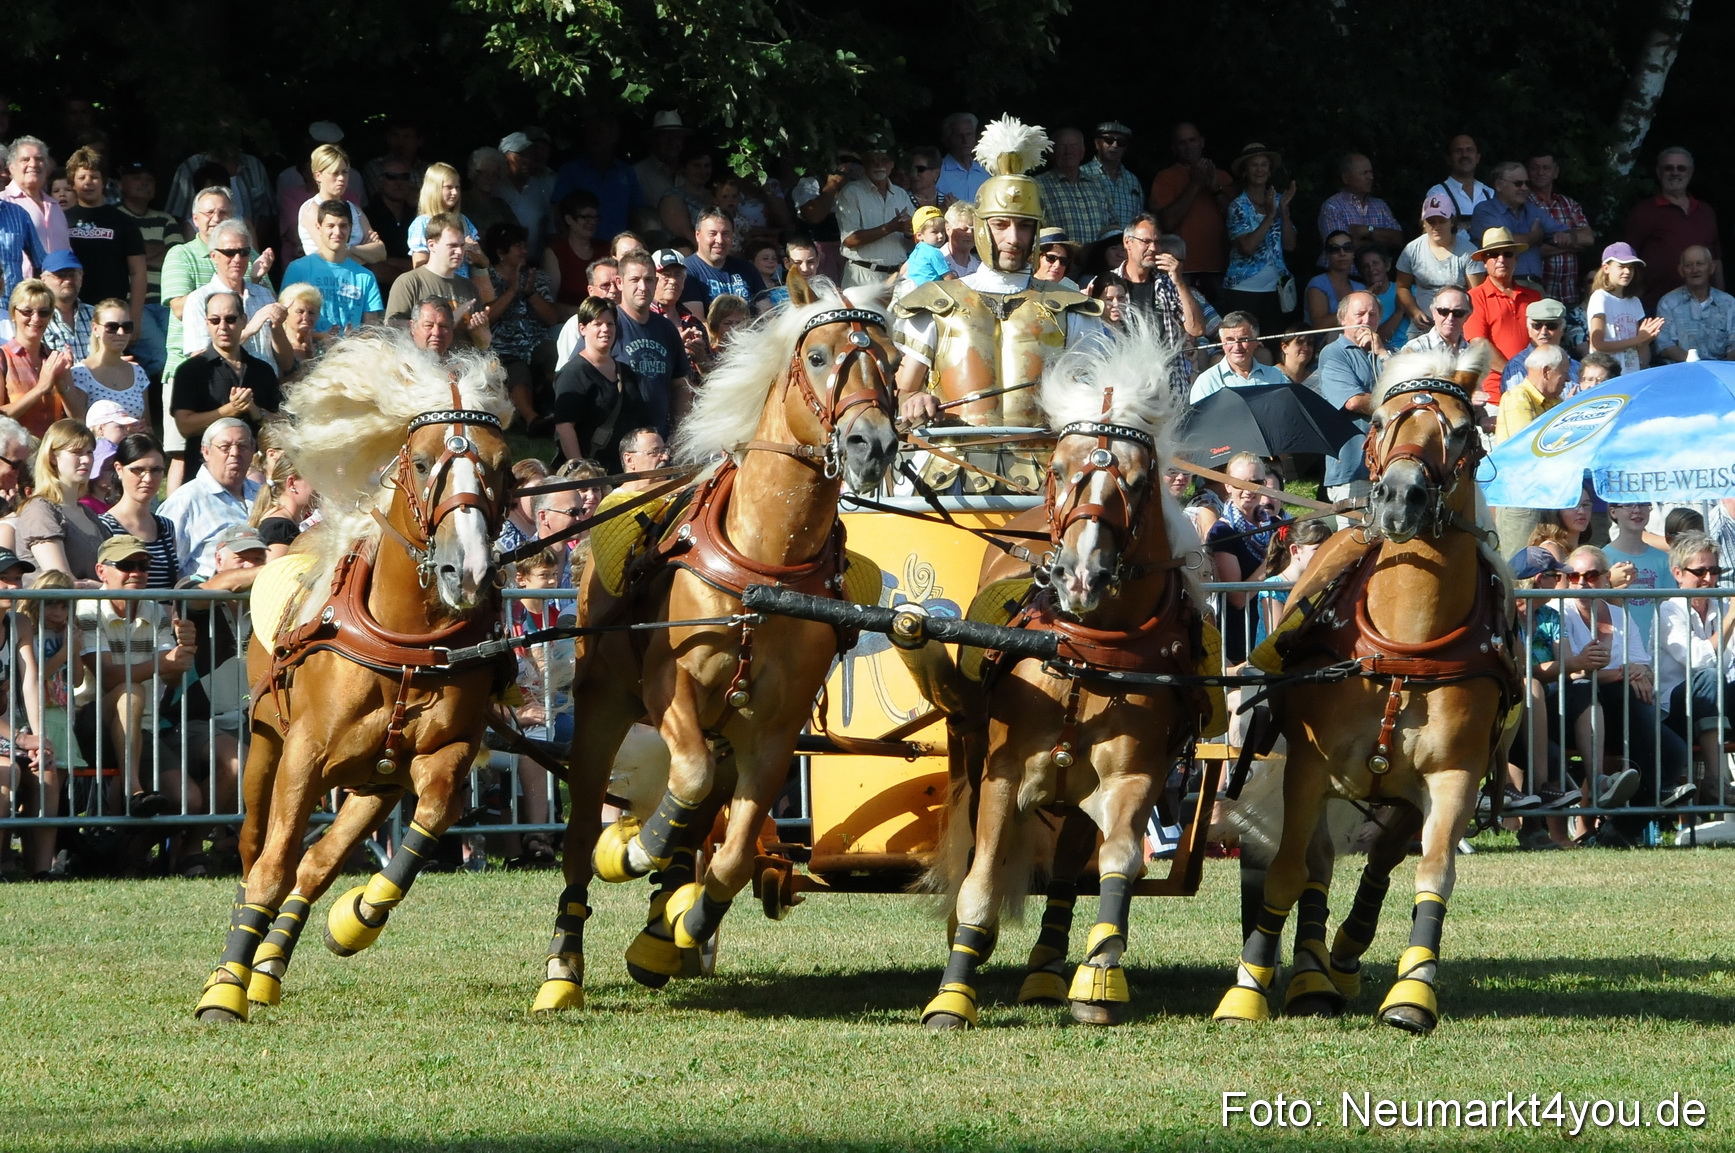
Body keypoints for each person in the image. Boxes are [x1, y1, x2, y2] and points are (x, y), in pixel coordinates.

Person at [893, 117, 1108, 442]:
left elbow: (1098, 398)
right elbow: (903, 394)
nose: (1013, 238)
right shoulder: (936, 304)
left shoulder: (1071, 309)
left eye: (1023, 226)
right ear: (980, 228)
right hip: (954, 474)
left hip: (1044, 471)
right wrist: (915, 401)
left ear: (1036, 232)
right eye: (1001, 225)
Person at [78, 533, 199, 816]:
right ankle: (133, 791)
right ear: (101, 571)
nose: (137, 573)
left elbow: (171, 678)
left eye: (144, 566)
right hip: (89, 723)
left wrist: (185, 653)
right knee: (131, 691)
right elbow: (107, 678)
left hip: (142, 726)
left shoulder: (156, 611)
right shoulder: (85, 608)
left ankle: (134, 856)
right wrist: (163, 662)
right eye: (126, 565)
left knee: (190, 801)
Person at [1656, 531, 1735, 796]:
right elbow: (1697, 660)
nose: (1709, 579)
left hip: (1712, 703)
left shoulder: (1721, 608)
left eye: (1714, 570)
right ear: (1678, 573)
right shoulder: (1669, 609)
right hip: (1672, 713)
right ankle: (1715, 778)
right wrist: (1730, 619)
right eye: (1700, 572)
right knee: (1710, 678)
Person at [171, 291, 280, 479]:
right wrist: (230, 410)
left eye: (230, 319)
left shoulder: (263, 370)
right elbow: (185, 426)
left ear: (244, 320)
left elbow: (280, 425)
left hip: (256, 474)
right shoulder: (190, 371)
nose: (223, 327)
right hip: (205, 474)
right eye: (215, 320)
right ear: (206, 323)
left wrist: (256, 412)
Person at [551, 297, 650, 472]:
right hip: (592, 478)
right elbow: (564, 427)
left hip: (625, 474)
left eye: (610, 324)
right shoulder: (572, 374)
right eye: (598, 324)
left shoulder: (626, 372)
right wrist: (580, 471)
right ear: (583, 328)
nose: (605, 329)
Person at [159, 418, 260, 581]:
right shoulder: (186, 500)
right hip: (208, 602)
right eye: (225, 447)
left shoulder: (262, 494)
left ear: (253, 450)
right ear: (206, 452)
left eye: (242, 446)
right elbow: (165, 568)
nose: (235, 453)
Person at [1625, 147, 1723, 309]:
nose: (1675, 172)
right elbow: (1629, 259)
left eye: (1681, 168)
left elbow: (1716, 259)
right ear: (1658, 172)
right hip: (1655, 307)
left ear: (1690, 173)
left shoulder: (1706, 211)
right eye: (1668, 168)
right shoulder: (1644, 211)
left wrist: (1721, 300)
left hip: (1704, 307)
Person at [607, 249, 690, 434]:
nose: (643, 287)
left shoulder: (667, 329)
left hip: (659, 439)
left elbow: (680, 385)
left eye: (649, 279)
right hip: (617, 439)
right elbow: (581, 373)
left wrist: (679, 433)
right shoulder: (607, 325)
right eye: (635, 280)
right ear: (620, 283)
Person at [476, 220, 554, 416]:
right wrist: (512, 291)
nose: (524, 251)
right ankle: (532, 420)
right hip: (504, 347)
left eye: (525, 245)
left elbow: (552, 318)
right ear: (501, 252)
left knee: (552, 353)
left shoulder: (537, 277)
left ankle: (560, 409)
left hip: (536, 342)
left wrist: (530, 293)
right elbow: (486, 318)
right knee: (516, 369)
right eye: (518, 246)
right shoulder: (485, 280)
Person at [180, 219, 282, 365]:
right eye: (229, 252)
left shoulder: (265, 295)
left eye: (244, 252)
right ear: (213, 256)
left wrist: (279, 330)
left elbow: (285, 362)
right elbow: (199, 360)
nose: (238, 259)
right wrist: (248, 330)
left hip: (266, 383)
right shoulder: (198, 299)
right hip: (227, 385)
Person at [62, 147, 145, 329]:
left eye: (94, 177)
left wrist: (135, 317)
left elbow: (138, 272)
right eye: (82, 177)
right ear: (72, 183)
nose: (88, 182)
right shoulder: (60, 220)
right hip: (71, 311)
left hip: (113, 313)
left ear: (104, 182)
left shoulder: (123, 222)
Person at [1317, 292, 1383, 515]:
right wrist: (1395, 404)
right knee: (1355, 543)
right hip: (1352, 470)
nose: (1366, 320)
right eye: (1359, 314)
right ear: (1343, 318)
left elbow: (1408, 392)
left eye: (1372, 315)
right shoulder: (1333, 353)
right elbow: (1353, 401)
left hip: (1388, 469)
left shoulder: (1385, 352)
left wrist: (1382, 352)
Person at [1221, 143, 1295, 336]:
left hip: (1276, 289)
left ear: (1270, 171)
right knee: (1245, 343)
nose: (1260, 169)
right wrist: (1270, 216)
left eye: (1264, 164)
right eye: (1254, 165)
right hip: (1243, 289)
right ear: (1245, 171)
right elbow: (1247, 247)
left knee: (1273, 344)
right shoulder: (1238, 206)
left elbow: (1290, 245)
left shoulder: (1279, 201)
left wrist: (1284, 212)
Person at [385, 212, 489, 348]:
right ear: (431, 245)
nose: (459, 252)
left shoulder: (469, 287)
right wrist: (451, 319)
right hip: (422, 365)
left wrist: (478, 331)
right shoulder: (409, 282)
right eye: (452, 246)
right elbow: (392, 330)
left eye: (462, 246)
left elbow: (484, 344)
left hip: (462, 366)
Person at [1209, 452, 1274, 666]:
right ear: (1227, 486)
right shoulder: (1222, 532)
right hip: (1240, 635)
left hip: (1272, 628)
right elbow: (1237, 597)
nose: (1248, 491)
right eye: (1238, 483)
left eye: (1255, 482)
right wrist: (1272, 561)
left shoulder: (1272, 524)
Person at [16, 419, 103, 579]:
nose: (86, 460)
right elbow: (63, 581)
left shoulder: (89, 514)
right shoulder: (39, 510)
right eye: (77, 452)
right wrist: (108, 590)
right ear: (52, 457)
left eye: (90, 452)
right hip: (55, 604)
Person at [1149, 122, 1231, 291]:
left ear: (1202, 142)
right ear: (1174, 148)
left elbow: (1239, 219)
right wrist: (1195, 184)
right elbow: (1166, 223)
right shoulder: (1166, 177)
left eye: (1192, 140)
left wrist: (1215, 189)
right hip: (1180, 270)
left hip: (1220, 270)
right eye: (1182, 142)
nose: (1188, 146)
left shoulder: (1223, 177)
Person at [1463, 227, 1541, 403]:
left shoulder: (1534, 296)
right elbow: (1479, 344)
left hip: (1537, 389)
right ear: (1484, 261)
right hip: (1496, 394)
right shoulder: (1475, 297)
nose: (1501, 259)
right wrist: (1515, 374)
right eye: (1493, 255)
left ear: (1516, 259)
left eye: (1507, 254)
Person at [280, 202, 385, 333]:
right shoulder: (298, 269)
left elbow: (371, 329)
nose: (337, 232)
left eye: (343, 226)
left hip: (350, 350)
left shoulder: (365, 277)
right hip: (308, 349)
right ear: (318, 227)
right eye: (330, 226)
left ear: (350, 228)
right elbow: (285, 320)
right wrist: (320, 338)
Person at [98, 433, 179, 587]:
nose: (148, 478)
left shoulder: (166, 526)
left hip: (165, 611)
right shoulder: (103, 526)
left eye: (156, 470)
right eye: (138, 470)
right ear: (119, 469)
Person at [2, 279, 80, 437]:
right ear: (13, 314)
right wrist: (40, 388)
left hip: (52, 453)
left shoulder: (54, 358)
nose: (36, 318)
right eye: (27, 312)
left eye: (43, 312)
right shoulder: (3, 358)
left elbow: (79, 418)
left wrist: (62, 381)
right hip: (17, 457)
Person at [549, 112, 643, 240]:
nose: (593, 137)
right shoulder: (571, 170)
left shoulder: (626, 172)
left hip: (618, 249)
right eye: (589, 132)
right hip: (581, 250)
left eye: (599, 132)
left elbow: (635, 215)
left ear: (614, 136)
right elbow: (558, 214)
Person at [836, 150, 916, 291]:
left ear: (892, 165)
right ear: (864, 164)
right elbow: (849, 240)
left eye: (884, 159)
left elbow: (914, 240)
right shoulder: (851, 192)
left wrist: (909, 232)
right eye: (873, 160)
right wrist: (890, 227)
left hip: (897, 276)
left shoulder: (901, 194)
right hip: (862, 277)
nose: (879, 164)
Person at [293, 145, 384, 266]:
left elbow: (381, 253)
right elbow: (331, 255)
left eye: (344, 172)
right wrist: (364, 251)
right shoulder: (311, 208)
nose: (341, 178)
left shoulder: (354, 209)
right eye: (334, 173)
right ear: (317, 175)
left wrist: (348, 249)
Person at [1527, 151, 1596, 308]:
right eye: (1535, 168)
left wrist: (1550, 241)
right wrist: (1572, 245)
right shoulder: (1524, 205)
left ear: (1555, 172)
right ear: (1528, 172)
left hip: (1568, 293)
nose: (1540, 172)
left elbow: (1589, 238)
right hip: (1538, 294)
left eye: (1546, 168)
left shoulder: (1568, 203)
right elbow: (1532, 249)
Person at [1586, 242, 1663, 377]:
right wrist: (1639, 339)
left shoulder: (1634, 301)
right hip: (1606, 376)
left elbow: (1641, 353)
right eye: (1621, 266)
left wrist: (1645, 341)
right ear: (1606, 268)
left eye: (1631, 268)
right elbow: (1597, 344)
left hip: (1631, 375)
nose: (1627, 272)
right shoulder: (1600, 297)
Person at [1467, 162, 1552, 285]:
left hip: (1536, 286)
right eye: (1518, 183)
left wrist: (1564, 238)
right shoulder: (1485, 210)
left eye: (1526, 183)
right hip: (1503, 285)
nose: (1524, 188)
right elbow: (1501, 243)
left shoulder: (1532, 209)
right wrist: (1534, 237)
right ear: (1499, 185)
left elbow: (1568, 235)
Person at [680, 209, 768, 318]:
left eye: (725, 234)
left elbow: (768, 313)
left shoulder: (747, 268)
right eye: (712, 234)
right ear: (698, 235)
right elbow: (698, 323)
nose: (720, 240)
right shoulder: (687, 271)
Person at [72, 297, 151, 418]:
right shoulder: (80, 373)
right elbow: (79, 423)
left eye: (127, 326)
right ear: (95, 328)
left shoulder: (138, 373)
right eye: (112, 327)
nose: (121, 332)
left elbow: (147, 425)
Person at [1315, 152, 1403, 259]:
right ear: (1346, 178)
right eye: (1364, 173)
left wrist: (1369, 230)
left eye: (1371, 172)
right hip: (1342, 275)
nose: (1370, 177)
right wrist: (1381, 241)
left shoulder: (1380, 205)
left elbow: (1398, 239)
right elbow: (1340, 247)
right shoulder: (1332, 207)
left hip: (1375, 274)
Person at [1655, 245, 1735, 362]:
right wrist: (1696, 366)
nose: (1694, 269)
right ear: (1681, 270)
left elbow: (1733, 345)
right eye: (1688, 265)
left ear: (1711, 268)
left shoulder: (1729, 303)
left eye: (1700, 263)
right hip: (1682, 373)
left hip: (1720, 374)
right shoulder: (1668, 303)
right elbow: (1665, 346)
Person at [1035, 128, 1109, 249]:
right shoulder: (1037, 185)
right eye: (1062, 146)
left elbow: (1111, 224)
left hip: (1096, 263)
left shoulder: (1097, 184)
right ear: (1051, 151)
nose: (1068, 151)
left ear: (1082, 152)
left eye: (1073, 146)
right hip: (1059, 263)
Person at [1190, 312, 1287, 402]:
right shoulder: (1207, 382)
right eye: (1230, 340)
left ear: (1256, 342)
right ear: (1222, 343)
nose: (1237, 347)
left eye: (1243, 339)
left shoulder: (1276, 377)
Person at [409, 162, 484, 277]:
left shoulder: (463, 220)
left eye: (457, 187)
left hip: (464, 291)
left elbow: (484, 263)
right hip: (438, 291)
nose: (454, 193)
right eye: (449, 187)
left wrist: (474, 252)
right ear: (434, 189)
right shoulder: (423, 223)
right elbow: (419, 265)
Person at [2, 137, 70, 263]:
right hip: (18, 282)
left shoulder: (55, 206)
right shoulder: (4, 202)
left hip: (58, 281)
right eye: (25, 159)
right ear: (11, 168)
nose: (33, 164)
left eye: (39, 159)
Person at [543, 190, 605, 319]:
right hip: (568, 323)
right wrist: (590, 314)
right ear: (569, 219)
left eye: (595, 217)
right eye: (586, 217)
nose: (592, 222)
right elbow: (549, 304)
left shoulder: (606, 249)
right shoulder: (555, 252)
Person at [1498, 298, 1580, 392]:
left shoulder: (1577, 367)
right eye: (1537, 326)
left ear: (1562, 330)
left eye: (1551, 326)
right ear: (1529, 330)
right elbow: (1517, 405)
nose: (1544, 332)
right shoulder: (1516, 367)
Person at [1424, 134, 1494, 241]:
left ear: (1477, 158)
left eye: (1469, 150)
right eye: (1458, 151)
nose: (1464, 155)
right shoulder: (1438, 193)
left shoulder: (1490, 193)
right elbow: (1440, 232)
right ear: (1448, 159)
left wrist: (1463, 225)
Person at [1494, 343, 1568, 442]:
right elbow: (1526, 445)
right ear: (1546, 372)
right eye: (1564, 373)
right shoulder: (1518, 398)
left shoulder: (1555, 399)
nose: (1568, 379)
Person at [496, 132, 555, 257]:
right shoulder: (495, 188)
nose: (527, 161)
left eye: (530, 155)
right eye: (520, 156)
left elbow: (550, 230)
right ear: (503, 157)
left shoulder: (542, 188)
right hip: (500, 264)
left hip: (534, 263)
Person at [249, 452, 313, 559]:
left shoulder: (284, 524)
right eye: (316, 480)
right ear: (292, 483)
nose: (322, 488)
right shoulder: (280, 528)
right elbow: (276, 573)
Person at [1083, 121, 1142, 232]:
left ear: (1125, 148)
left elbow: (1139, 221)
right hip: (1093, 246)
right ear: (1097, 143)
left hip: (1126, 247)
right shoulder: (1082, 174)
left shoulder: (1133, 181)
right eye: (1109, 140)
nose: (1115, 145)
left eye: (1121, 142)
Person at [1304, 231, 1365, 332]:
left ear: (1353, 253)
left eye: (1347, 248)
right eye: (1334, 249)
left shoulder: (1360, 287)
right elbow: (1320, 326)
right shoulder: (1318, 283)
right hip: (1322, 346)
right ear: (1327, 255)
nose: (1342, 253)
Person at [39, 250, 94, 360]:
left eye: (73, 275)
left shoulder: (97, 315)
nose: (68, 280)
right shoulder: (36, 318)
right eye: (61, 275)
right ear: (43, 280)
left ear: (81, 278)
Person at [269, 282, 326, 381]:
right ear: (285, 313)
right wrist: (308, 367)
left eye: (311, 313)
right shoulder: (275, 344)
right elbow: (277, 386)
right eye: (300, 311)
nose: (306, 317)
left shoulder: (321, 346)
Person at [634, 111, 688, 212]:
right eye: (666, 137)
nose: (672, 142)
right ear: (654, 139)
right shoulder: (638, 174)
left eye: (677, 137)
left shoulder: (691, 171)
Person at [1355, 244, 1408, 347]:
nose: (1371, 269)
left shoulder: (1406, 289)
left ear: (1387, 265)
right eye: (1365, 266)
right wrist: (1399, 312)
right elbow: (1372, 339)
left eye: (1375, 263)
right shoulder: (1359, 301)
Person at [462, 147, 517, 241]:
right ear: (472, 172)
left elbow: (517, 233)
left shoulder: (501, 205)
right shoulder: (461, 202)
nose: (490, 178)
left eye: (495, 174)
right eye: (485, 172)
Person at [1401, 284, 1473, 355]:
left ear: (1467, 316)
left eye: (1458, 312)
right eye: (1444, 311)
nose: (1450, 318)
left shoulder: (1473, 353)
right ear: (1433, 313)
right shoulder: (1415, 349)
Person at [935, 112, 989, 206]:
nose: (965, 141)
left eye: (969, 134)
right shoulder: (937, 172)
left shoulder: (986, 172)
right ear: (947, 140)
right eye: (958, 135)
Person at [616, 427, 672, 492]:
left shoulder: (672, 498)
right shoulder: (616, 501)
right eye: (654, 452)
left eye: (664, 451)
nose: (666, 457)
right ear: (629, 460)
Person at [940, 201, 981, 279]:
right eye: (964, 229)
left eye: (974, 229)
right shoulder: (935, 261)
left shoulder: (980, 267)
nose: (970, 233)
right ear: (948, 229)